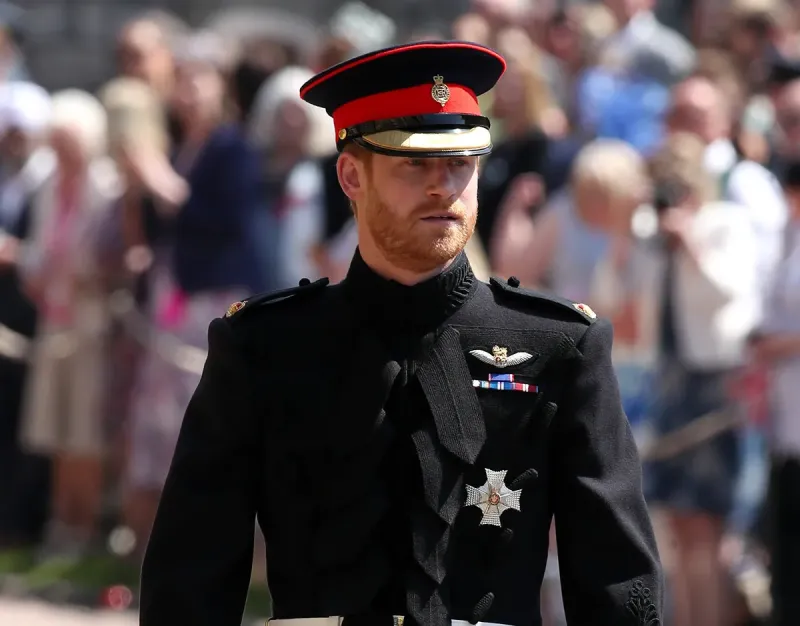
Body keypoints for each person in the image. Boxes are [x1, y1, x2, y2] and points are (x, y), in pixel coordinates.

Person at [139, 41, 663, 626]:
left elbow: (617, 579)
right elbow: (191, 572)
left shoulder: (558, 347)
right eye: (414, 163)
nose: (443, 186)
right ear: (350, 175)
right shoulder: (264, 345)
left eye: (460, 163)